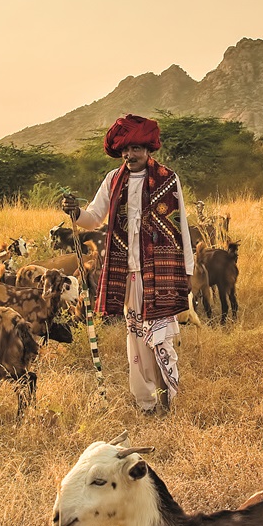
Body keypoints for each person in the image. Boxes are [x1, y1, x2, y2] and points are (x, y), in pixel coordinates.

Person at [62, 114, 195, 412]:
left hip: (161, 272)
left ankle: (166, 400)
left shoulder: (167, 178)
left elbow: (180, 224)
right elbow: (94, 217)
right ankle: (146, 402)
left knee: (159, 337)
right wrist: (74, 212)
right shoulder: (113, 179)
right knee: (136, 340)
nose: (129, 155)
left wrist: (188, 271)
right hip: (129, 272)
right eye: (124, 150)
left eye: (135, 148)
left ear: (148, 148)